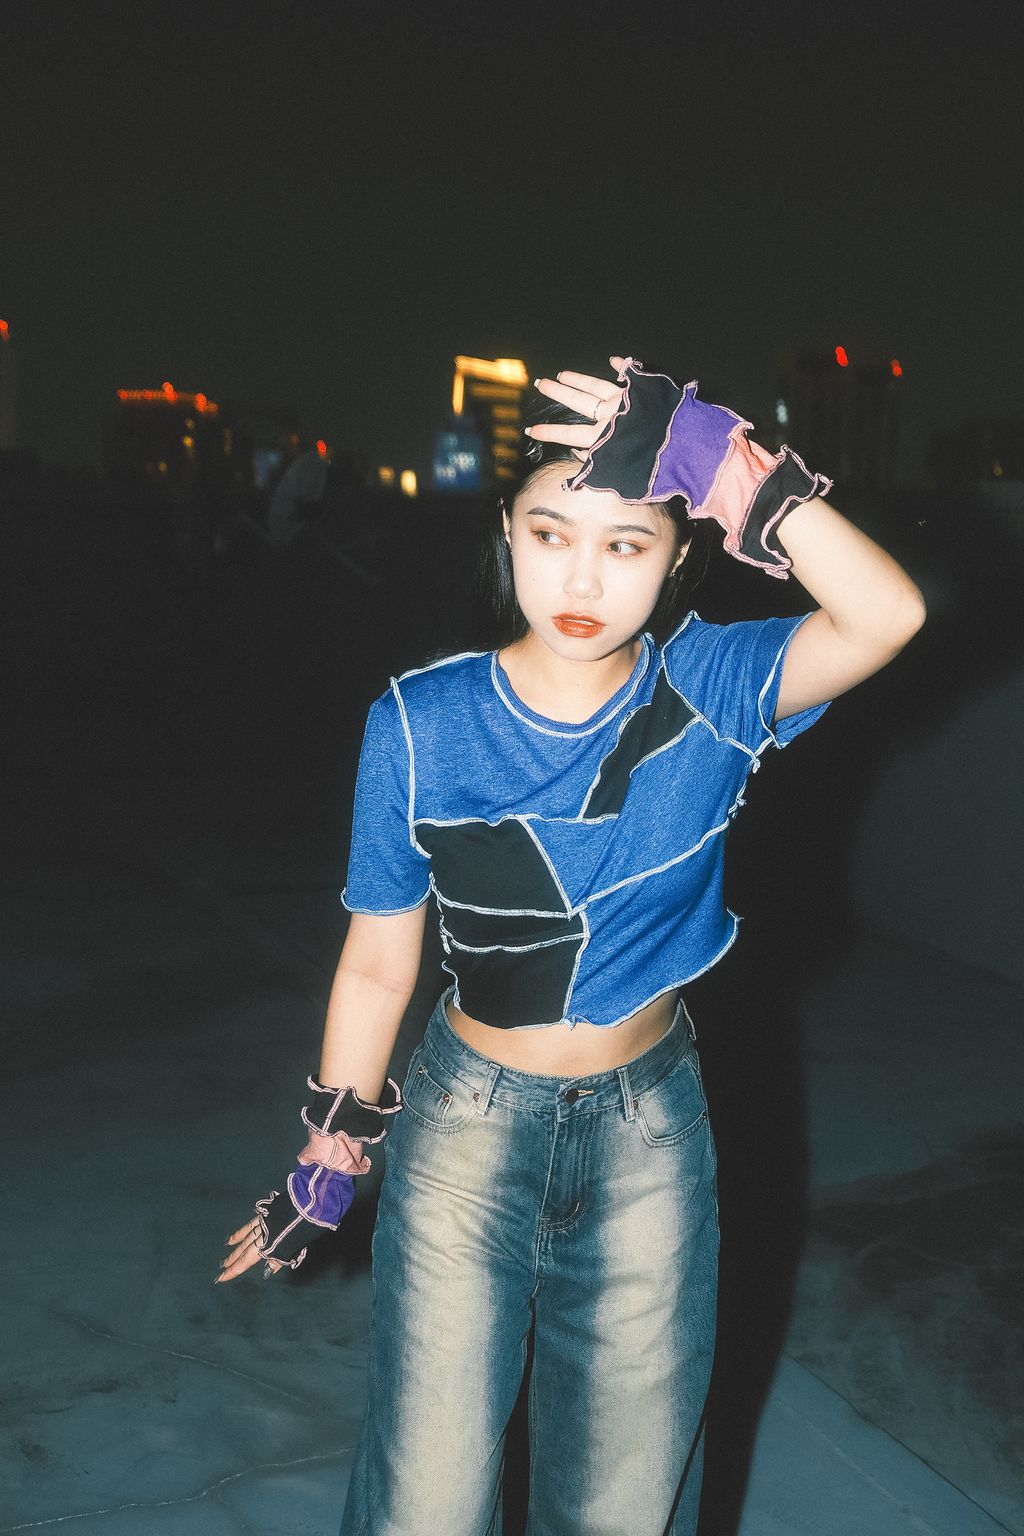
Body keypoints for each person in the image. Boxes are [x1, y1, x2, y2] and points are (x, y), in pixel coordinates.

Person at [216, 356, 926, 1535]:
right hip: (464, 1130)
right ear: (505, 532)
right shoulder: (420, 723)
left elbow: (887, 615)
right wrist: (331, 1146)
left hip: (651, 1132)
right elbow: (379, 958)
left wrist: (733, 471)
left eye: (626, 544)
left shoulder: (713, 688)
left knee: (624, 1502)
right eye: (550, 535)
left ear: (680, 555)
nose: (582, 579)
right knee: (426, 1499)